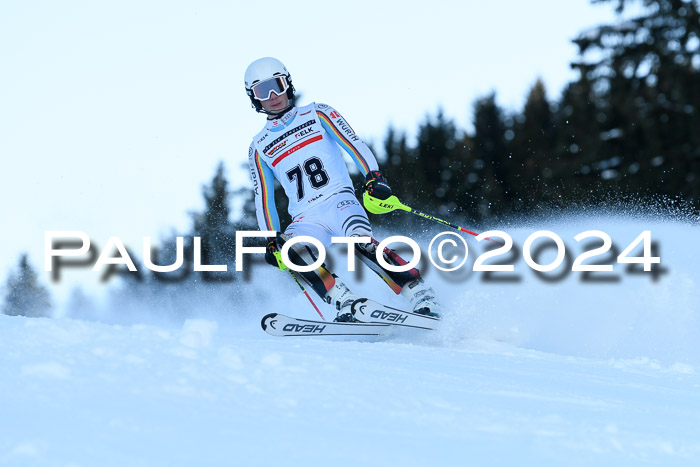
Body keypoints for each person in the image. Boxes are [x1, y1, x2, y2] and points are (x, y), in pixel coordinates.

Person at [245, 57, 441, 321]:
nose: (273, 96)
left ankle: (419, 293)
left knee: (359, 240)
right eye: (262, 91)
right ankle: (344, 301)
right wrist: (271, 238)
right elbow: (264, 197)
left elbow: (353, 144)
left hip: (340, 201)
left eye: (277, 85)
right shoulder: (259, 145)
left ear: (288, 84)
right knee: (291, 250)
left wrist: (374, 178)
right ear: (253, 98)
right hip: (306, 218)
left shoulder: (318, 112)